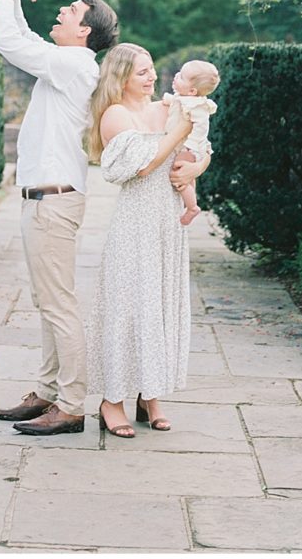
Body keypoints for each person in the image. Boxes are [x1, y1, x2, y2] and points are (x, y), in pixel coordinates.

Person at [0, 0, 119, 436]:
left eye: (70, 11)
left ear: (85, 31)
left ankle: (70, 404)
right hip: (45, 200)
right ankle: (46, 392)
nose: (61, 12)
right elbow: (23, 40)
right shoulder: (66, 62)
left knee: (59, 305)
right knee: (49, 302)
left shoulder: (72, 64)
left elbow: (10, 44)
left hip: (52, 202)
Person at [86, 44, 211, 438]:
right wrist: (181, 128)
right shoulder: (115, 116)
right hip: (136, 222)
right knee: (127, 307)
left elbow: (199, 151)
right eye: (142, 72)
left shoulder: (166, 108)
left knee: (158, 305)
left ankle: (150, 395)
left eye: (152, 69)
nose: (152, 77)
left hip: (168, 221)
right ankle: (112, 399)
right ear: (121, 76)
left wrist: (197, 165)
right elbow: (143, 165)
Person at [163, 60, 220, 225]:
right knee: (187, 178)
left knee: (179, 176)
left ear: (192, 90)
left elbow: (201, 128)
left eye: (181, 77)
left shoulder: (197, 106)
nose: (176, 76)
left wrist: (190, 148)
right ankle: (190, 202)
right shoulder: (184, 98)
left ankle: (192, 207)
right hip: (185, 146)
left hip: (190, 147)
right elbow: (173, 101)